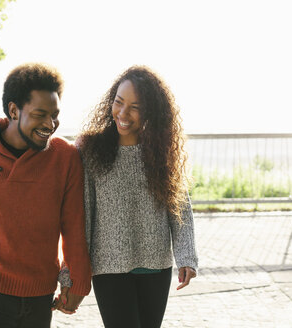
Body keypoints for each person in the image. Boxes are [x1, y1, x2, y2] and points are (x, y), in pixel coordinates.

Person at [0, 63, 91, 328]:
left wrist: (79, 281)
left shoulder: (66, 157)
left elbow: (74, 224)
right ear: (14, 111)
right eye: (40, 114)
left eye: (55, 115)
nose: (50, 124)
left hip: (40, 292)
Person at [56, 65, 198, 328]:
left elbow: (180, 210)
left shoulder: (162, 152)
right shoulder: (90, 151)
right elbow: (81, 218)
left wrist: (187, 258)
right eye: (119, 103)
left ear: (151, 111)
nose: (123, 113)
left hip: (156, 266)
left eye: (135, 107)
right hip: (109, 269)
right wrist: (69, 274)